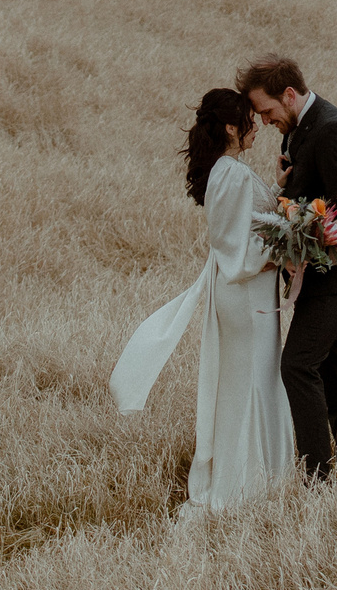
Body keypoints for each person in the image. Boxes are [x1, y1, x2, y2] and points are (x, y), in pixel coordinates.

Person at [109, 89, 294, 515]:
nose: (257, 127)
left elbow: (245, 220)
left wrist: (277, 191)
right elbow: (235, 248)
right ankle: (245, 486)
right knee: (250, 382)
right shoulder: (228, 171)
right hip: (245, 296)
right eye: (251, 118)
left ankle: (261, 475)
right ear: (232, 127)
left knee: (253, 381)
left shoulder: (230, 169)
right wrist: (286, 244)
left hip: (246, 295)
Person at [239, 55, 337, 478]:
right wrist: (286, 193)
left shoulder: (332, 130)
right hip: (316, 273)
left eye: (267, 111)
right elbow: (306, 193)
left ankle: (317, 477)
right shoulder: (298, 130)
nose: (263, 121)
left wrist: (293, 230)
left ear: (290, 95)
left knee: (297, 366)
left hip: (335, 273)